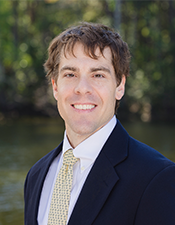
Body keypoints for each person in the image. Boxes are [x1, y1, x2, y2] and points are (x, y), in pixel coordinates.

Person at [24, 22, 175, 225]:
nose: (82, 88)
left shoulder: (156, 178)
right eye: (70, 74)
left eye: (98, 75)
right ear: (55, 87)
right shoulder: (36, 175)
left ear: (119, 86)